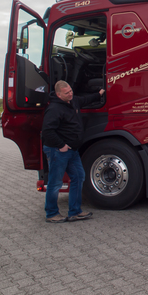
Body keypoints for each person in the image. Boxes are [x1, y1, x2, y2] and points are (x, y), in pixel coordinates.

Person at [41, 80, 104, 223]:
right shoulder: (54, 109)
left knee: (79, 177)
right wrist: (61, 145)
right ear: (58, 94)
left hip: (72, 150)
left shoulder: (73, 101)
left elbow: (85, 99)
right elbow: (47, 131)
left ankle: (75, 212)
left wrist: (99, 94)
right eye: (66, 92)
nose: (70, 93)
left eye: (70, 90)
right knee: (55, 183)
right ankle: (51, 214)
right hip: (58, 150)